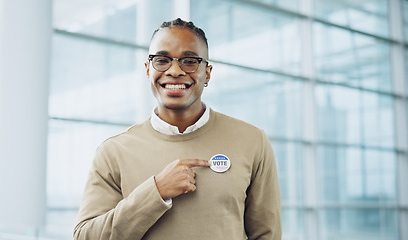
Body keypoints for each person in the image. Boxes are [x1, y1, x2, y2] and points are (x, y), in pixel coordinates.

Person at [73, 18, 281, 240]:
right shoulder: (113, 151)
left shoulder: (252, 141)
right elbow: (86, 236)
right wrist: (155, 192)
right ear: (147, 70)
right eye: (162, 60)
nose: (174, 70)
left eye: (189, 61)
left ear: (207, 72)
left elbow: (266, 234)